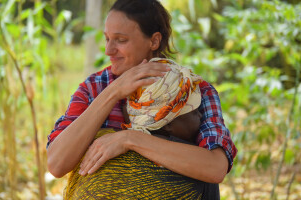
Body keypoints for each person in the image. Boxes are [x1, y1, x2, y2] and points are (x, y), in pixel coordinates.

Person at [47, 0, 237, 197]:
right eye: (107, 39)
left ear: (154, 41)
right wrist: (113, 92)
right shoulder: (95, 88)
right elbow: (57, 164)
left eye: (120, 40)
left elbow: (215, 168)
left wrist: (130, 139)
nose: (108, 50)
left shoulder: (194, 91)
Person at [64, 58, 220, 199]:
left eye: (121, 40)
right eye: (193, 112)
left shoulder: (97, 146)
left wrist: (130, 138)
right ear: (168, 123)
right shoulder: (197, 170)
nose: (200, 116)